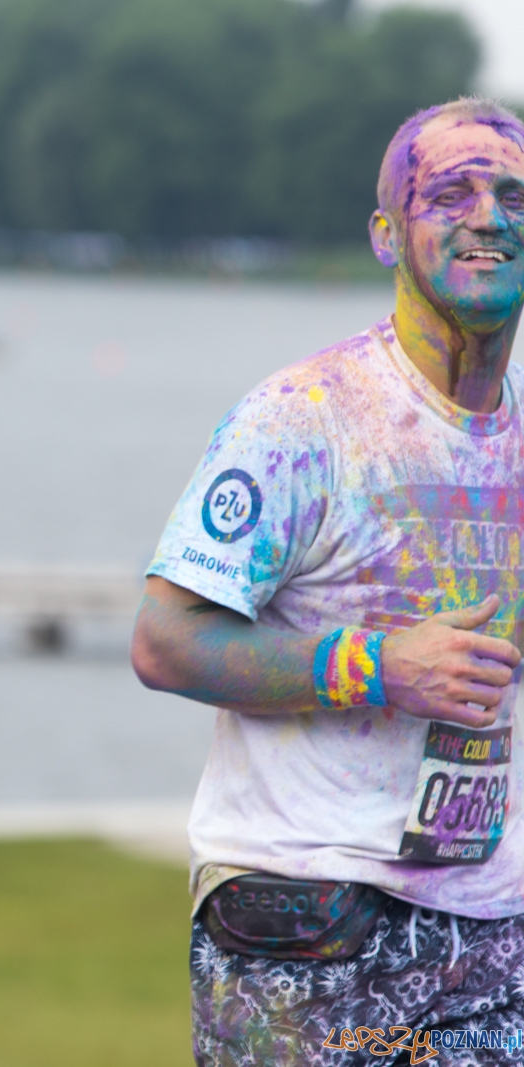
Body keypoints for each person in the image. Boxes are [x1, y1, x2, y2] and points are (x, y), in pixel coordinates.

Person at [133, 98, 524, 1066]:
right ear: (386, 235)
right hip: (303, 906)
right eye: (451, 193)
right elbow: (164, 639)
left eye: (513, 194)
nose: (490, 215)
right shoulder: (305, 419)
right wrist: (382, 666)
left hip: (490, 919)